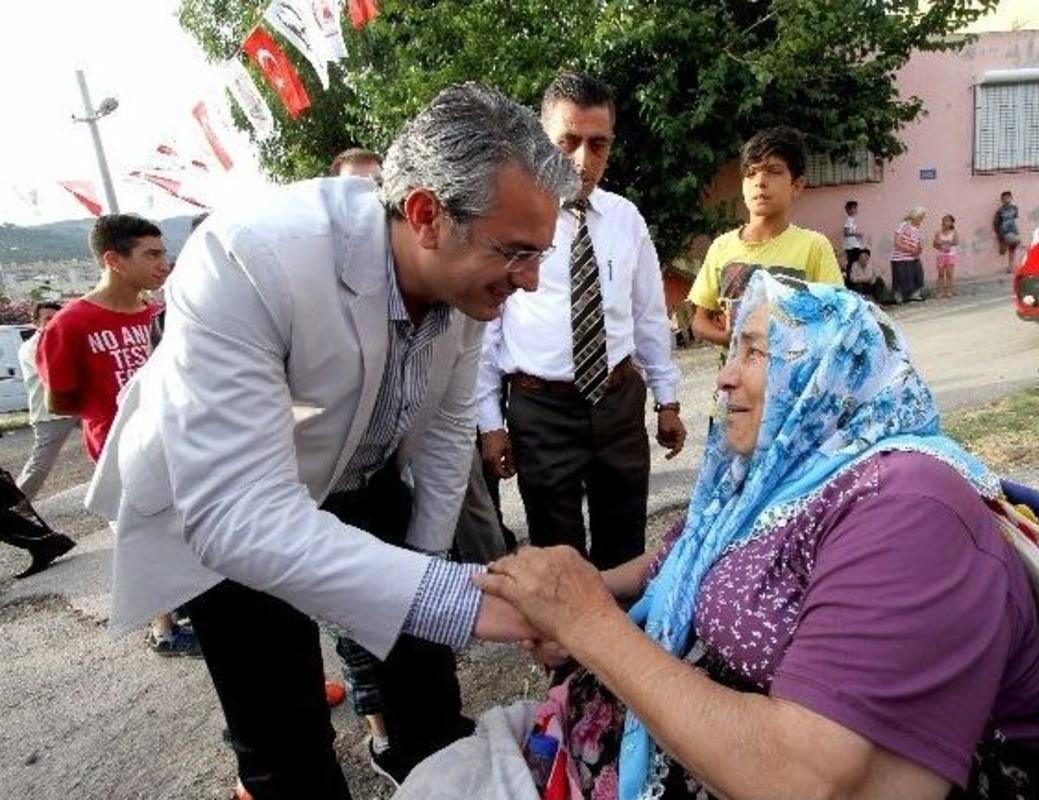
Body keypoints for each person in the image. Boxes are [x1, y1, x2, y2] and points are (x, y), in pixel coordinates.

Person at [84, 83, 579, 798]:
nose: (530, 281)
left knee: (427, 689)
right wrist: (472, 602)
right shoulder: (250, 254)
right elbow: (240, 514)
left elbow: (446, 428)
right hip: (226, 502)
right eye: (517, 253)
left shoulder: (468, 286)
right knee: (284, 739)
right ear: (426, 216)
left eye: (539, 255)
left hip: (359, 473)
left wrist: (427, 566)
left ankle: (422, 763)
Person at [400, 273, 1039, 800]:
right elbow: (683, 553)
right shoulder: (789, 477)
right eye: (731, 352)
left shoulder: (907, 510)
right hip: (604, 743)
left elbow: (806, 778)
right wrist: (575, 592)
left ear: (830, 374)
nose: (723, 376)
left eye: (754, 352)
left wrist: (587, 621)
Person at [477, 73, 686, 572]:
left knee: (624, 542)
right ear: (541, 140)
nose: (582, 160)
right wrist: (490, 422)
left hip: (617, 403)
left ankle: (619, 625)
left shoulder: (626, 219)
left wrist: (668, 400)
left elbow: (648, 317)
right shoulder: (512, 220)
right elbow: (486, 329)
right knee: (558, 555)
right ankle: (567, 627)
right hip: (540, 411)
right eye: (567, 142)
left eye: (598, 144)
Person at [36, 214, 199, 657]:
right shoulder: (70, 323)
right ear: (114, 260)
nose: (164, 264)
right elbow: (59, 400)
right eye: (152, 254)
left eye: (164, 253)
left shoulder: (158, 314)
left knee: (186, 533)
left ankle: (185, 607)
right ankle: (163, 629)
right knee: (145, 541)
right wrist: (111, 410)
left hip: (177, 444)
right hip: (120, 453)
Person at [689, 126, 843, 352]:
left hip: (795, 373)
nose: (760, 181)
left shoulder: (813, 246)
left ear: (797, 185)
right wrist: (732, 338)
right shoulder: (721, 247)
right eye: (751, 173)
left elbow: (836, 317)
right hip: (737, 373)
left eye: (774, 171)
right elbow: (700, 321)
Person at [15, 302, 76, 500]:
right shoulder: (31, 347)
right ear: (35, 322)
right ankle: (16, 505)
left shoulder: (63, 341)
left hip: (77, 407)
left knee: (109, 443)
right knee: (41, 464)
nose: (53, 322)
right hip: (50, 414)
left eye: (57, 318)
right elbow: (56, 372)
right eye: (48, 318)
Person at [890, 206, 926, 303]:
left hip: (913, 257)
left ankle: (914, 295)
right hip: (900, 258)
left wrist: (919, 249)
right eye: (921, 217)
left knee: (918, 275)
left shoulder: (917, 228)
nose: (922, 219)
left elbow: (918, 242)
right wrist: (910, 250)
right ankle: (898, 297)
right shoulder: (903, 225)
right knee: (900, 277)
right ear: (915, 216)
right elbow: (897, 242)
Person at [993, 191, 1021, 273]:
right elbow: (996, 223)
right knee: (1003, 251)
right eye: (1004, 198)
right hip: (1004, 232)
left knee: (1013, 248)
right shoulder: (1000, 211)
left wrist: (1016, 230)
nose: (1007, 199)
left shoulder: (1015, 208)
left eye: (1008, 197)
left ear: (1011, 198)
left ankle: (1011, 267)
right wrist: (999, 236)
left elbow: (1014, 218)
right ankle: (1003, 245)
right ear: (1002, 200)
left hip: (1013, 231)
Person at [933, 214, 959, 298]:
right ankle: (940, 292)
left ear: (952, 223)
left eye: (947, 221)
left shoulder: (954, 232)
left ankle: (949, 291)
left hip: (950, 255)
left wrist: (947, 243)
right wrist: (940, 247)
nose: (945, 222)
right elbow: (934, 244)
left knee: (949, 273)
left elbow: (956, 242)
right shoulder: (938, 232)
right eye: (944, 220)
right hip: (941, 255)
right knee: (940, 274)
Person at [842, 199, 863, 280]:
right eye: (855, 208)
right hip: (851, 246)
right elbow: (846, 233)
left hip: (854, 245)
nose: (856, 210)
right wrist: (857, 234)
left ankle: (851, 278)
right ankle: (849, 279)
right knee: (852, 263)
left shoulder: (851, 220)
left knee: (854, 262)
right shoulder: (848, 220)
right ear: (850, 209)